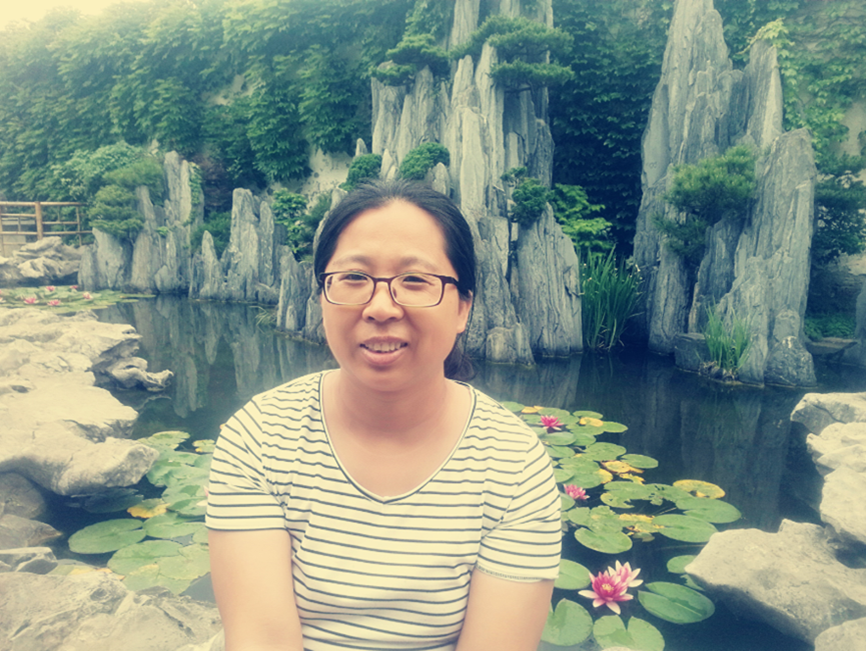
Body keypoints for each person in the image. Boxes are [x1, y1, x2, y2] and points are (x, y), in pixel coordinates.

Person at [206, 179, 562, 651]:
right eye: (354, 278)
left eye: (414, 281)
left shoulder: (513, 464)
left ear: (462, 308)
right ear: (322, 297)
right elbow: (261, 639)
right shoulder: (259, 438)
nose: (380, 308)